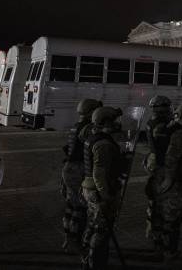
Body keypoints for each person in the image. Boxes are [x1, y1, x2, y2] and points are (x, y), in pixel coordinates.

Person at [152, 104, 182, 261]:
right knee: (173, 216)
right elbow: (172, 156)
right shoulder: (179, 133)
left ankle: (158, 248)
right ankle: (170, 253)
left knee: (158, 214)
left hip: (158, 175)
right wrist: (169, 179)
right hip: (171, 179)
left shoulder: (164, 128)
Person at [80, 106, 124, 270]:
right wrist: (106, 197)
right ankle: (95, 262)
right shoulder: (104, 144)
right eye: (113, 120)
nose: (117, 123)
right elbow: (99, 173)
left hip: (89, 189)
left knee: (92, 225)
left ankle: (86, 258)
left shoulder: (93, 138)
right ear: (105, 122)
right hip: (99, 192)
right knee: (101, 230)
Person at [61, 98, 102, 251]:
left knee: (70, 206)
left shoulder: (76, 126)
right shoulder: (87, 128)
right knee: (80, 208)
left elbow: (67, 148)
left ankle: (67, 240)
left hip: (69, 167)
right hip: (78, 169)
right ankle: (73, 242)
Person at [143, 95, 172, 252]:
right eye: (167, 106)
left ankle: (153, 231)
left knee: (154, 199)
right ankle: (158, 235)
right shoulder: (161, 125)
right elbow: (163, 148)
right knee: (159, 200)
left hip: (153, 162)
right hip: (160, 165)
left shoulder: (151, 121)